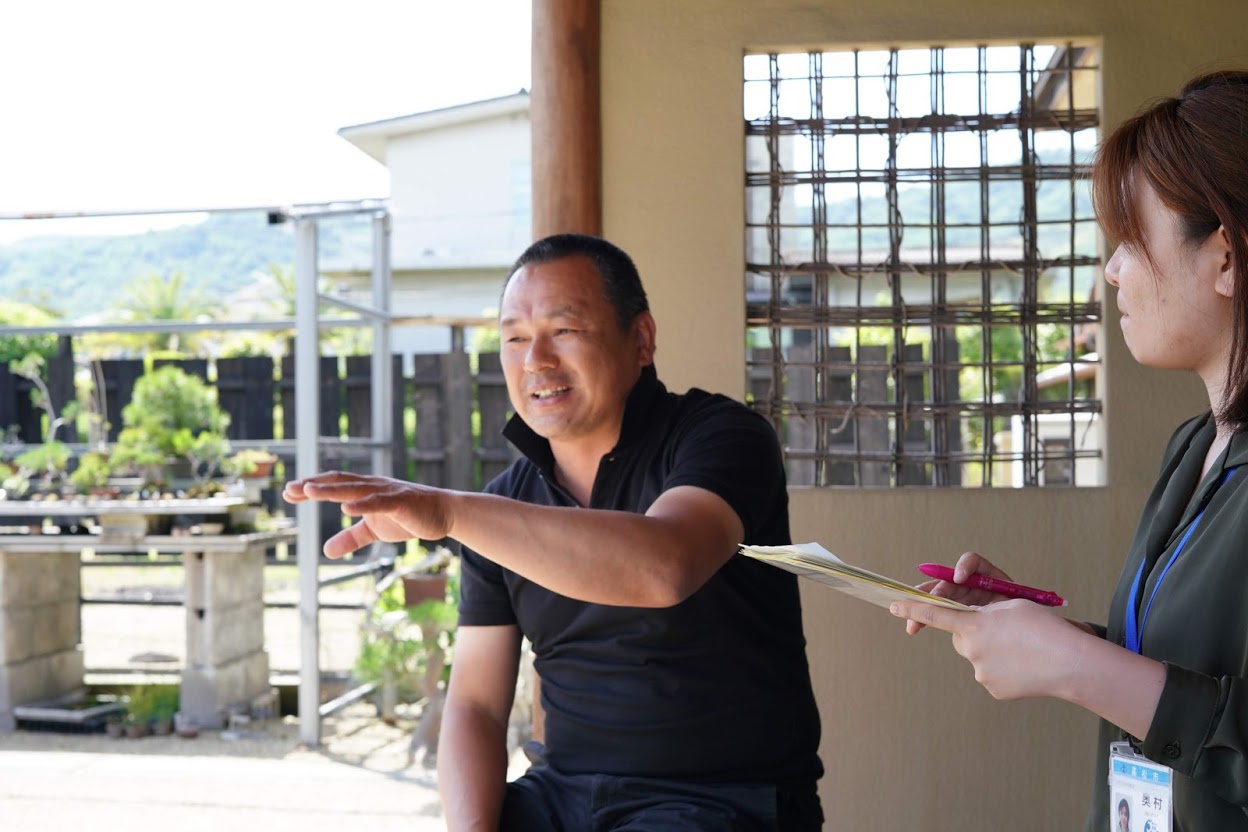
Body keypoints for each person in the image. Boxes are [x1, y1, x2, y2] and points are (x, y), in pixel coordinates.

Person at [285, 233, 824, 830]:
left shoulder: (720, 436)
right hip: (559, 799)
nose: (535, 360)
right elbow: (475, 706)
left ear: (640, 338)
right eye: (514, 337)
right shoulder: (506, 506)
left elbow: (664, 566)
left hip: (721, 802)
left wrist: (451, 514)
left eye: (563, 330)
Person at [888, 70, 1248, 830]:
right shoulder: (1196, 446)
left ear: (1226, 254)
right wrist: (1046, 632)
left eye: (1129, 239)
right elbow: (1184, 675)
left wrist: (1077, 667)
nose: (1111, 271)